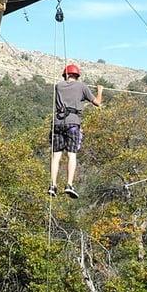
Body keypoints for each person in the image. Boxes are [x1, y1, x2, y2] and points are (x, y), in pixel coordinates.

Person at [49, 64, 103, 198]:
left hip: (57, 123)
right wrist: (100, 90)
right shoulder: (82, 86)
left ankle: (53, 185)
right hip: (73, 123)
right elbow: (97, 103)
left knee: (56, 156)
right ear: (77, 76)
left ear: (65, 75)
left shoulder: (58, 86)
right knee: (71, 155)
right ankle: (69, 184)